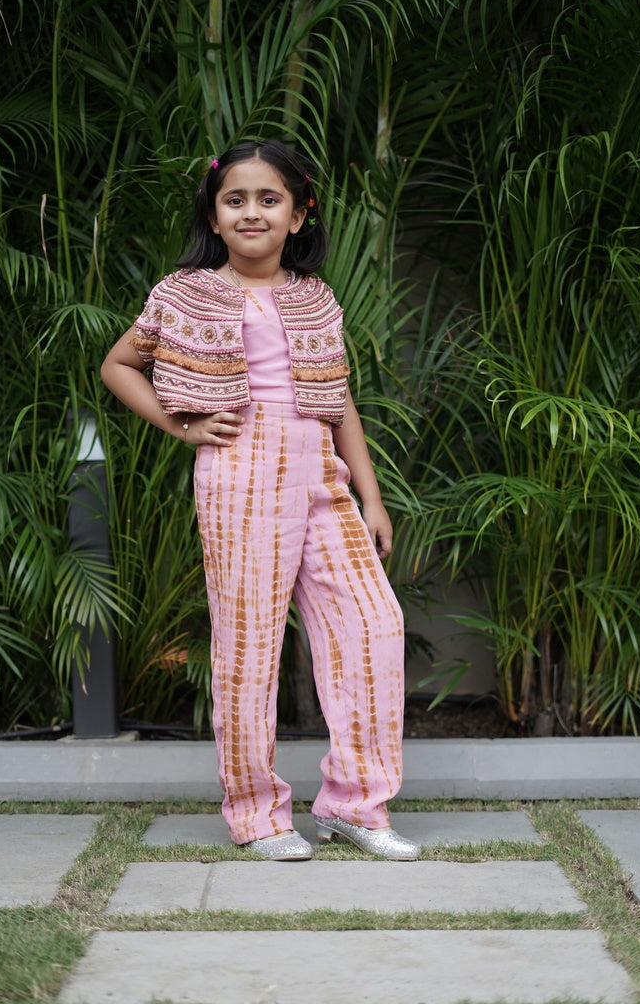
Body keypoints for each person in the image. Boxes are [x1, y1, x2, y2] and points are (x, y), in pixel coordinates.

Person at [101, 139, 419, 861]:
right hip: (239, 469)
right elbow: (118, 364)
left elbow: (338, 402)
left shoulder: (315, 298)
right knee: (249, 644)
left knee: (374, 626)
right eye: (234, 200)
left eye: (268, 199)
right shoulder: (183, 291)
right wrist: (179, 425)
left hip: (322, 473)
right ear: (214, 217)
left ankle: (355, 804)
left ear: (299, 214)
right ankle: (256, 813)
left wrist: (371, 497)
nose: (251, 212)